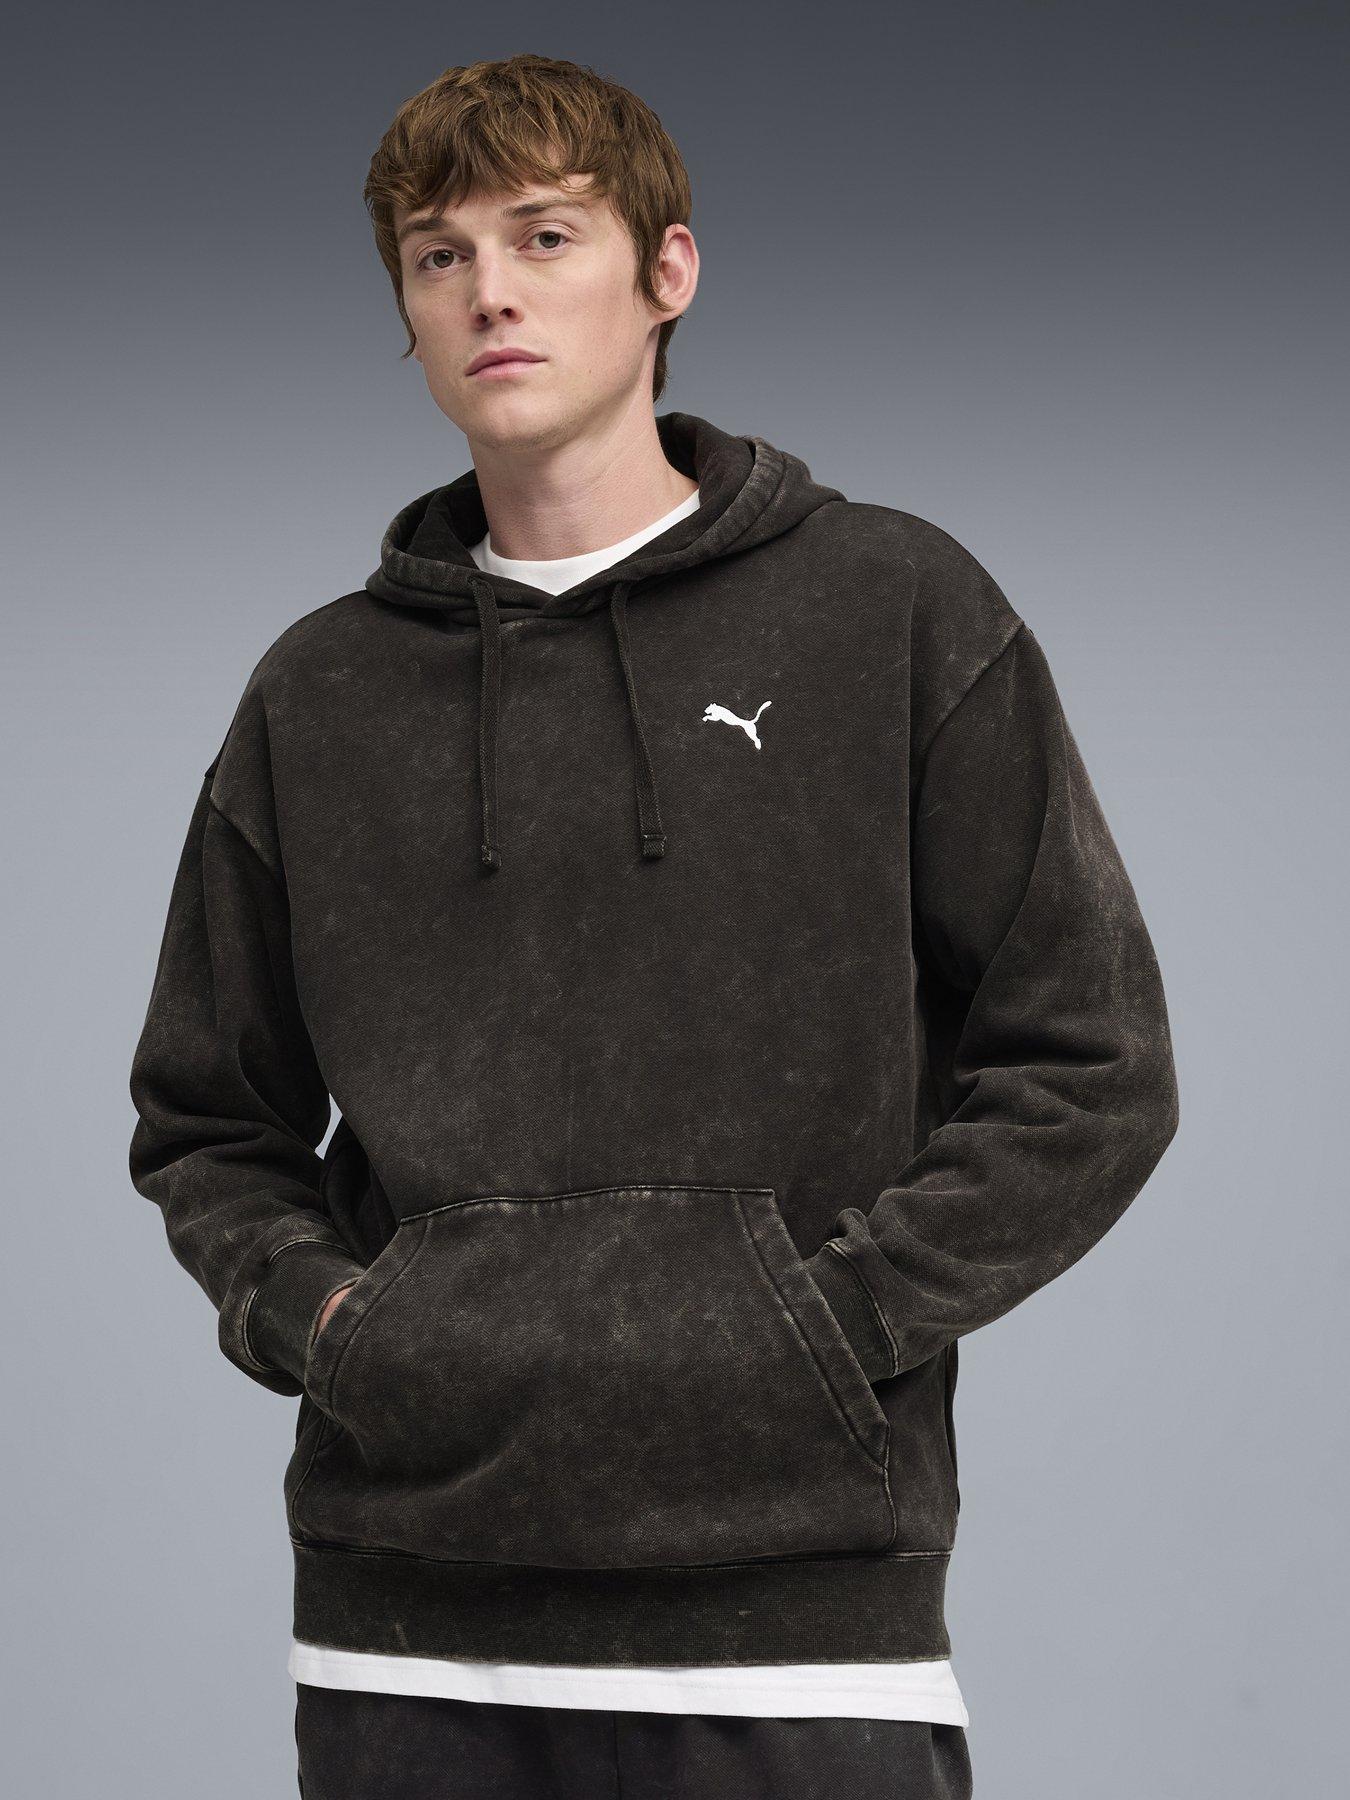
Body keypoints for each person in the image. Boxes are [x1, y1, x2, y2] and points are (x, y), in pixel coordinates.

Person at [127, 52, 1180, 1800]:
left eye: (544, 236)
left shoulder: (892, 608)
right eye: (440, 255)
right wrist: (337, 1324)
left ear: (665, 270)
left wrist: (829, 1328)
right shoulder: (318, 694)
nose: (492, 291)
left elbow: (1092, 1068)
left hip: (799, 1618)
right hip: (407, 1627)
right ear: (407, 312)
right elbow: (205, 1121)